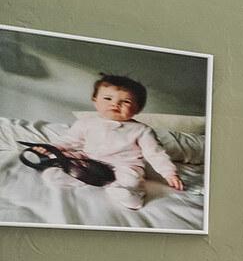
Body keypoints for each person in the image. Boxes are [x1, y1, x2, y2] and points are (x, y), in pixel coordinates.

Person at [38, 74, 184, 211]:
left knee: (131, 178)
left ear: (137, 109)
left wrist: (170, 173)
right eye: (108, 98)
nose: (115, 104)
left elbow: (155, 153)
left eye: (125, 101)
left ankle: (131, 195)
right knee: (61, 165)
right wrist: (52, 148)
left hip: (125, 164)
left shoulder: (141, 130)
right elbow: (70, 140)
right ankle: (76, 176)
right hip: (90, 158)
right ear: (95, 100)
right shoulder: (87, 122)